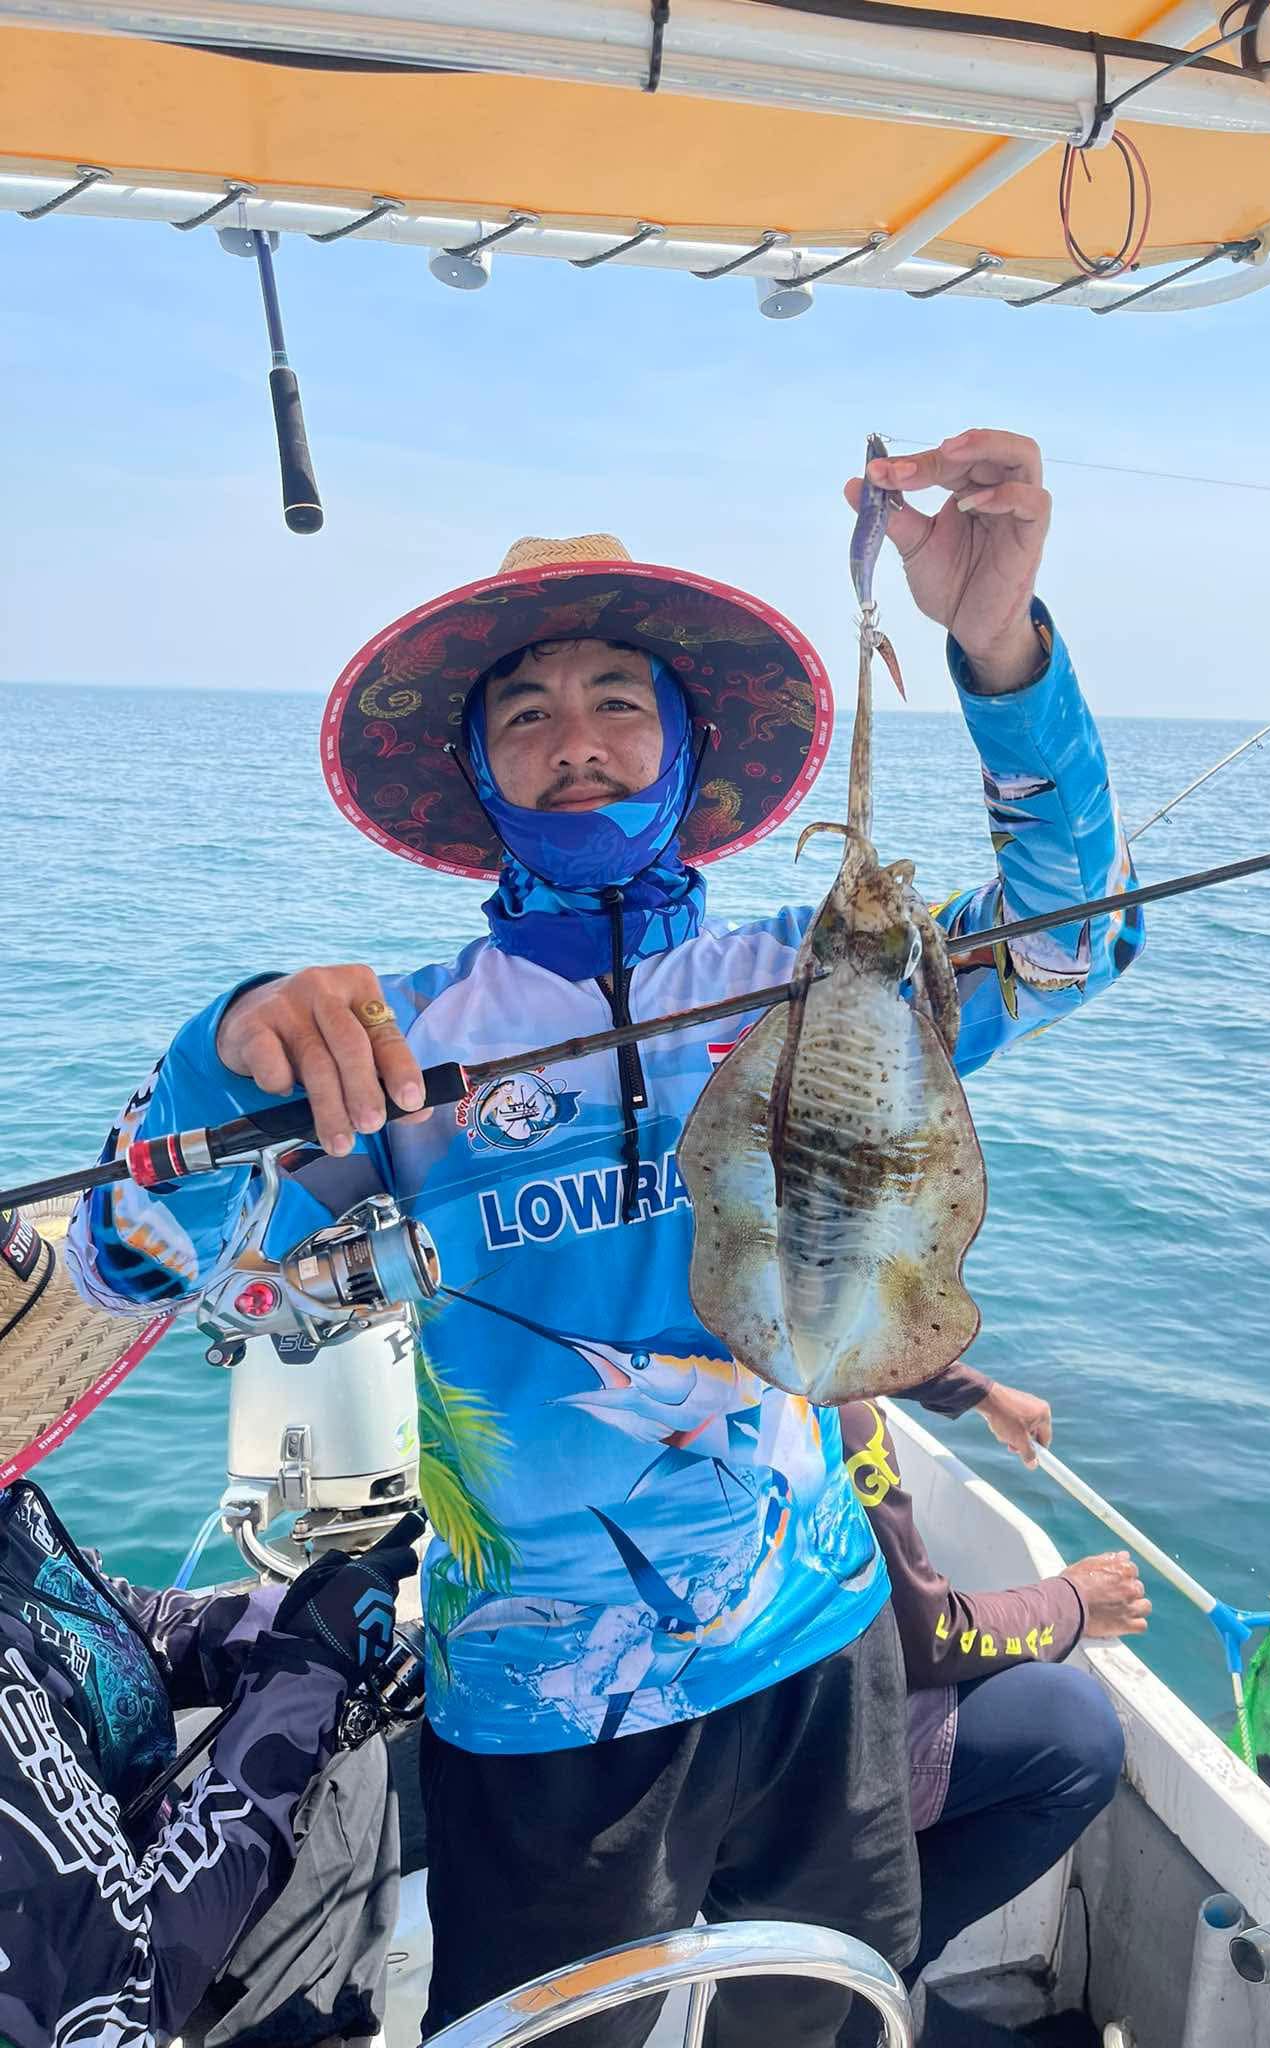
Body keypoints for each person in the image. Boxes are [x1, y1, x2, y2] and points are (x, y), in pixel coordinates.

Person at [68, 430, 1145, 2044]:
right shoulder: (401, 1045)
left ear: (687, 747)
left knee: (828, 2021)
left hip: (820, 1642)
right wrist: (222, 1056)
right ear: (481, 776)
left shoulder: (819, 978)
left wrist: (1002, 652)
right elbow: (129, 1267)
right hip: (538, 1710)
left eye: (617, 702)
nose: (574, 741)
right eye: (525, 713)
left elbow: (1077, 934)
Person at [0, 1202, 417, 2048]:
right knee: (323, 1745)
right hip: (106, 1971)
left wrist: (289, 1623)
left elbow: (111, 1624)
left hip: (101, 1839)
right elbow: (120, 1997)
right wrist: (306, 1678)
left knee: (341, 1742)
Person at [843, 1372, 1149, 1991]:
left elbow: (840, 1342)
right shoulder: (837, 1422)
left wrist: (979, 1393)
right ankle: (870, 1969)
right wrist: (1074, 1601)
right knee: (1074, 1731)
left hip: (679, 1732)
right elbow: (931, 1641)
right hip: (784, 1763)